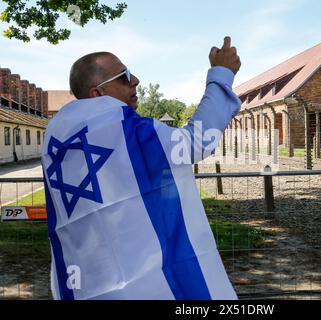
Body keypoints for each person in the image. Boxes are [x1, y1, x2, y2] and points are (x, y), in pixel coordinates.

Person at [41, 37, 241, 300]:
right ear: (97, 94)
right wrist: (221, 76)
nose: (135, 80)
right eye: (123, 76)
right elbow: (196, 142)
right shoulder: (123, 129)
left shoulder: (56, 142)